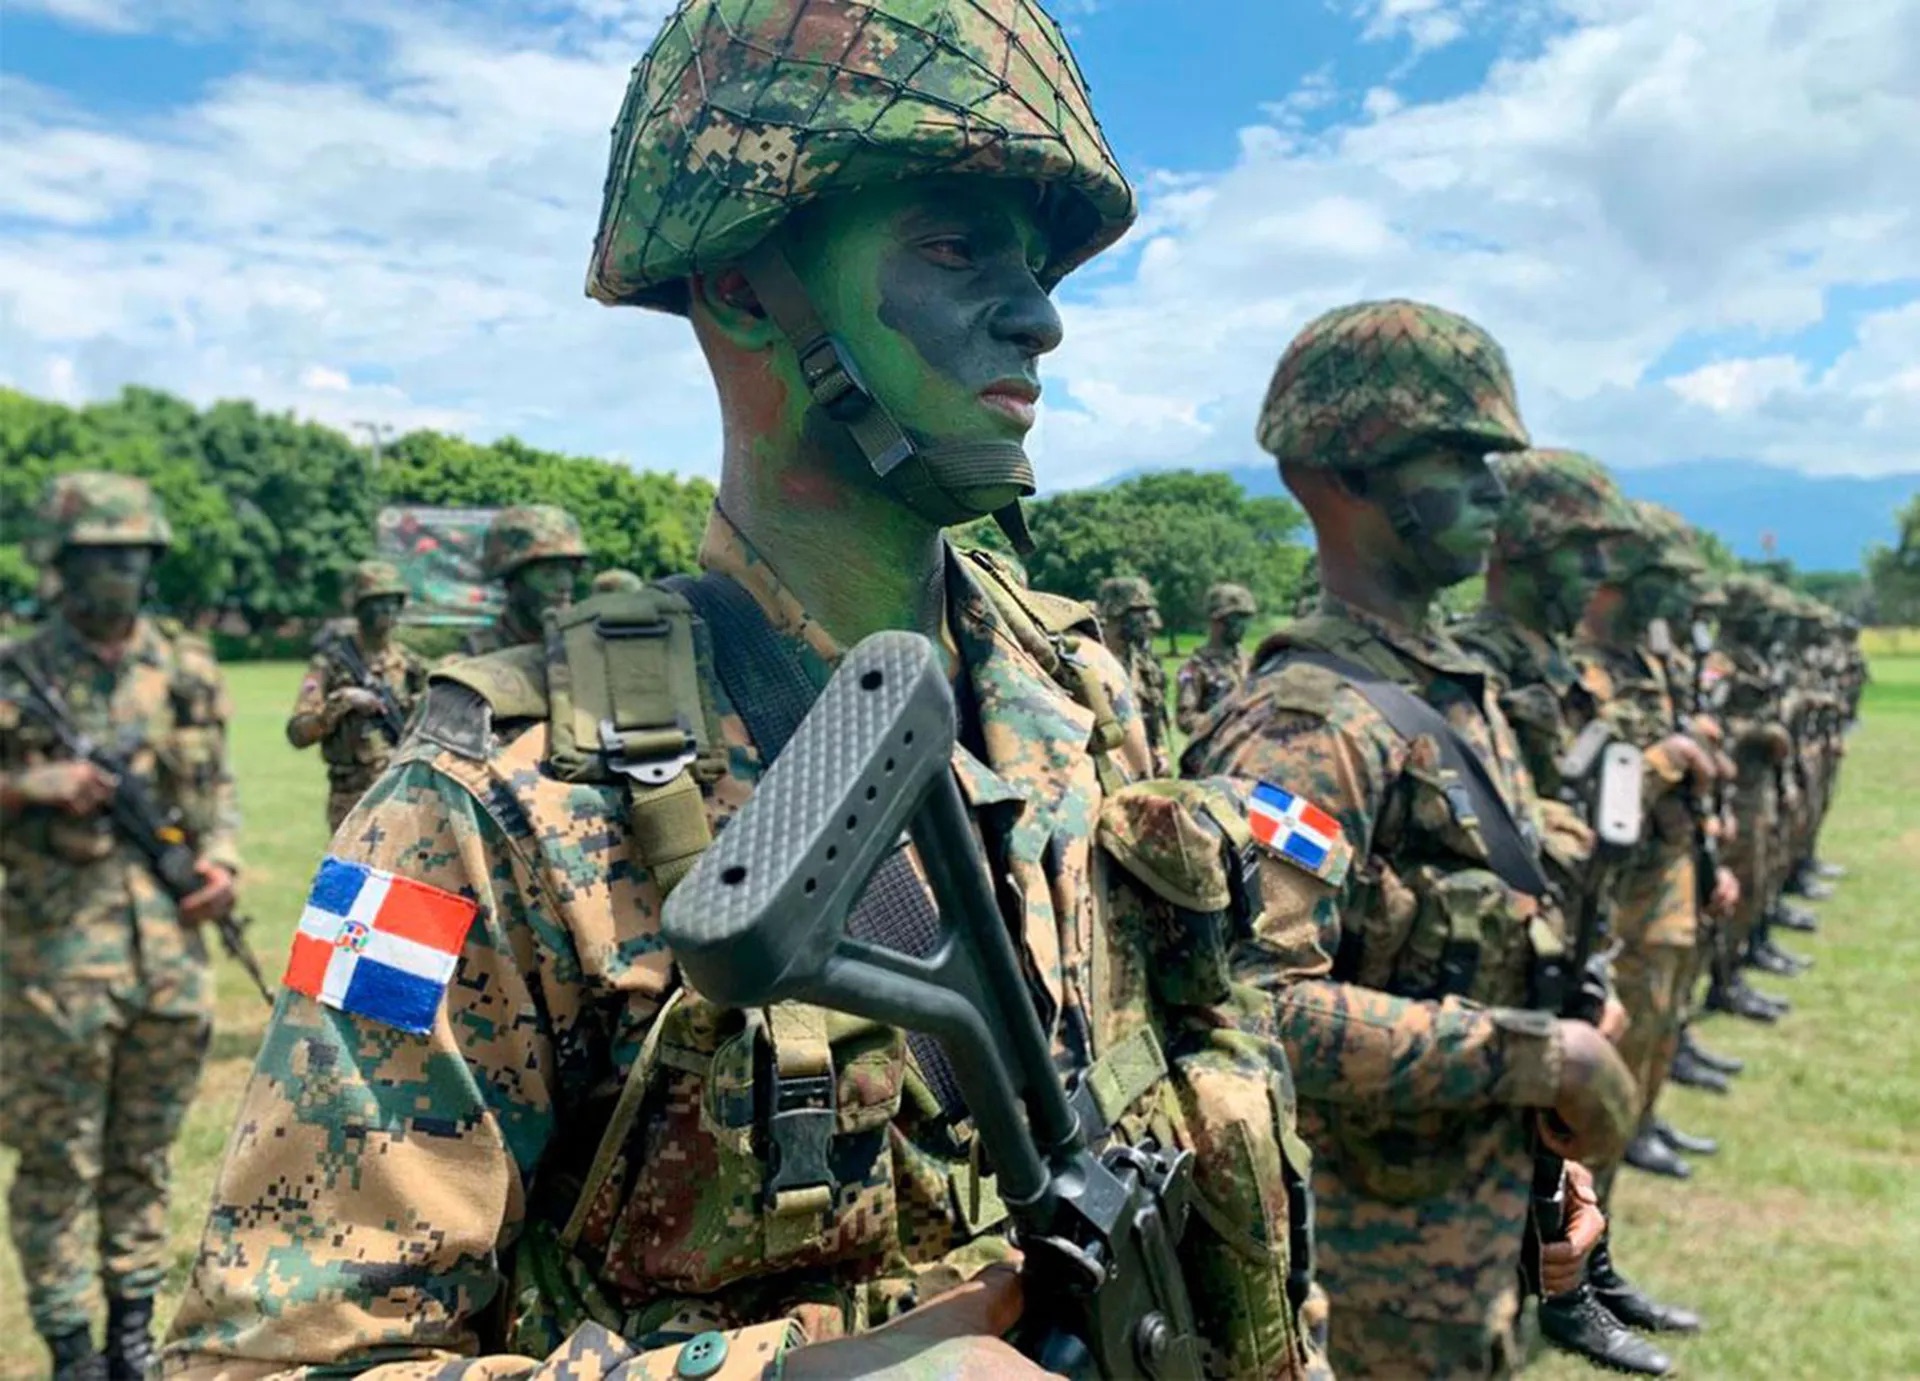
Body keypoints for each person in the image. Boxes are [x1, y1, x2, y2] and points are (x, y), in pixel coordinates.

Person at [164, 4, 1325, 1378]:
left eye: (1032, 262)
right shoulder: (483, 805)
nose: (1040, 317)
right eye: (954, 248)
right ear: (743, 289)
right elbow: (268, 1356)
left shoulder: (1080, 698)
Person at [1182, 300, 1637, 1377]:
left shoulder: (1444, 689)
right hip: (1361, 1274)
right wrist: (1538, 1055)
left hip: (1470, 1220)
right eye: (1460, 459)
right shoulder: (1305, 725)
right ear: (1342, 470)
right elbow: (1244, 1009)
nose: (1495, 492)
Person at [1455, 448, 1701, 1373]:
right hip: (1497, 970)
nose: (1600, 573)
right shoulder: (1478, 670)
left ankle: (1583, 1274)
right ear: (1521, 544)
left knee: (1570, 1149)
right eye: (1582, 548)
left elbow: (1595, 803)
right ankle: (1559, 1290)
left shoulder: (1555, 670)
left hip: (1571, 939)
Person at [1, 472, 241, 1381]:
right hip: (52, 967)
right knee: (58, 1164)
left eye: (132, 555)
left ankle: (133, 1334)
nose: (118, 572)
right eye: (99, 556)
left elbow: (215, 786)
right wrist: (30, 786)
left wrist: (220, 862)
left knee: (144, 1156)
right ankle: (72, 1347)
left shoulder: (184, 669)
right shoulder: (16, 673)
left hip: (170, 963)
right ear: (60, 564)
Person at [285, 560, 429, 832]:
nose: (386, 610)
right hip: (352, 803)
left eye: (392, 602)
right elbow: (297, 733)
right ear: (359, 607)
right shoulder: (329, 665)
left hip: (405, 796)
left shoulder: (411, 667)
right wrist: (341, 703)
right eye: (377, 602)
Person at [463, 504, 589, 654]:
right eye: (548, 572)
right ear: (512, 579)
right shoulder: (479, 653)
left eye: (573, 570)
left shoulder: (588, 646)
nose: (565, 584)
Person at [1098, 574, 1171, 772]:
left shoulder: (1144, 666)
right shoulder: (1090, 663)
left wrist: (1159, 753)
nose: (1151, 620)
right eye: (1140, 611)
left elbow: (1154, 717)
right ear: (1117, 612)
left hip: (1143, 768)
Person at [1175, 582, 1257, 735]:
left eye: (1245, 618)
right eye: (1235, 619)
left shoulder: (1251, 662)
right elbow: (1185, 719)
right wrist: (1225, 722)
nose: (1242, 625)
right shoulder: (1193, 668)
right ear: (1217, 621)